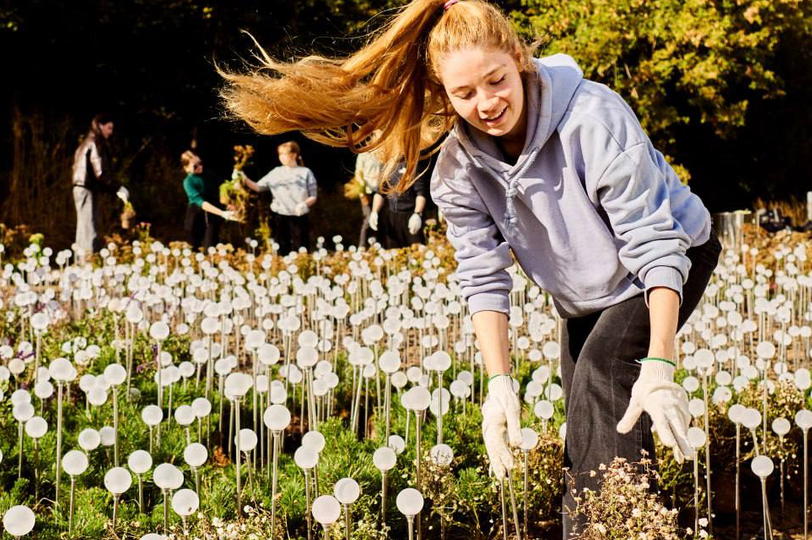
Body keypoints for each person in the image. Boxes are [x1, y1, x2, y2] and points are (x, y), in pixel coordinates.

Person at [219, 0, 720, 536]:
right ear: (443, 94)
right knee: (588, 418)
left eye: (496, 80)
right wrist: (499, 384)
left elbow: (653, 242)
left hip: (669, 259)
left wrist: (661, 361)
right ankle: (629, 519)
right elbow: (483, 276)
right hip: (586, 289)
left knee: (603, 375)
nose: (486, 102)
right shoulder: (459, 169)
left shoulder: (592, 119)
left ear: (519, 58)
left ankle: (610, 530)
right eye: (465, 93)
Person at [234, 141, 318, 255]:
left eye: (284, 154)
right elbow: (258, 187)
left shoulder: (305, 172)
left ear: (293, 155)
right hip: (280, 215)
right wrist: (244, 178)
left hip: (299, 215)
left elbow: (313, 196)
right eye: (280, 154)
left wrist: (304, 204)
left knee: (301, 247)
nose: (281, 157)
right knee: (282, 247)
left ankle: (303, 268)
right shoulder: (276, 172)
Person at [71, 114, 129, 257]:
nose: (111, 132)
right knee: (89, 226)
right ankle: (90, 261)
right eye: (109, 128)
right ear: (100, 126)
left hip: (81, 187)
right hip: (86, 188)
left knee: (83, 226)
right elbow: (100, 171)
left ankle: (82, 260)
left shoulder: (86, 142)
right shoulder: (95, 142)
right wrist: (117, 188)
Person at [181, 150, 238, 249]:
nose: (200, 167)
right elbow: (201, 203)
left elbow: (223, 187)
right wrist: (222, 213)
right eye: (195, 166)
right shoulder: (188, 182)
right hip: (196, 217)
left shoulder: (209, 175)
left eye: (200, 163)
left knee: (210, 248)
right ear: (186, 168)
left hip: (212, 217)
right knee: (193, 248)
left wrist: (229, 203)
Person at [369, 162, 428, 248]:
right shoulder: (386, 164)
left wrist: (417, 214)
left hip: (411, 215)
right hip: (393, 216)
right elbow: (380, 192)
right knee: (393, 252)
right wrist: (374, 212)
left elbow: (421, 193)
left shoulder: (413, 162)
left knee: (417, 251)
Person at [354, 149, 384, 247]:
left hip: (380, 191)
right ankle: (362, 246)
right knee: (367, 219)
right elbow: (358, 174)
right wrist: (362, 193)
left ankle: (379, 244)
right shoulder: (363, 154)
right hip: (367, 191)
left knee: (379, 219)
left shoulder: (382, 152)